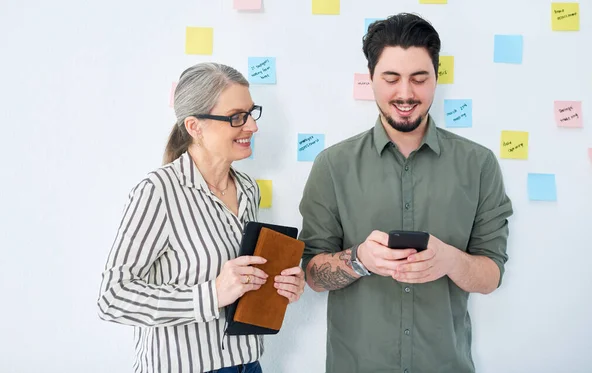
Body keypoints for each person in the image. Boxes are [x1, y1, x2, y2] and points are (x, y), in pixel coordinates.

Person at [298, 13, 513, 373]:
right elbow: (313, 275)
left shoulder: (480, 164)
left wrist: (450, 260)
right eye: (391, 78)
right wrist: (360, 259)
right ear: (371, 80)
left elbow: (491, 276)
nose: (405, 94)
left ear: (436, 78)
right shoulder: (332, 165)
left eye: (419, 78)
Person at [97, 62, 306, 373]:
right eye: (237, 117)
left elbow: (243, 279)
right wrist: (212, 294)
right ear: (194, 126)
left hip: (248, 364)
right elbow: (113, 297)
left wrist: (281, 286)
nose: (252, 126)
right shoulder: (158, 192)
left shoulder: (248, 188)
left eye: (251, 113)